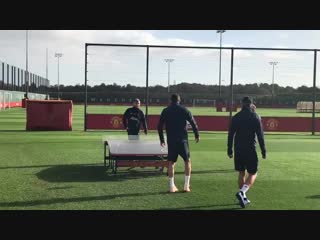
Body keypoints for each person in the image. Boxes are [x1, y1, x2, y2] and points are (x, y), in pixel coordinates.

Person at [227, 97, 266, 208]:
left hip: (238, 148)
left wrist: (229, 149)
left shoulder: (236, 117)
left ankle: (243, 198)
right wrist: (263, 150)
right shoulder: (256, 116)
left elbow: (230, 135)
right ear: (251, 104)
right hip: (250, 148)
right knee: (253, 173)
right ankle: (242, 192)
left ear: (242, 104)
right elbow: (260, 136)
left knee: (241, 172)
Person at [157, 93, 200, 193]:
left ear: (170, 101)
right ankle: (186, 186)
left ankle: (172, 187)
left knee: (171, 163)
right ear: (179, 100)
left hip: (171, 141)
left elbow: (159, 127)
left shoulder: (165, 110)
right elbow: (193, 123)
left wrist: (162, 140)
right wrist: (196, 135)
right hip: (182, 140)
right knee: (187, 161)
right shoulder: (184, 110)